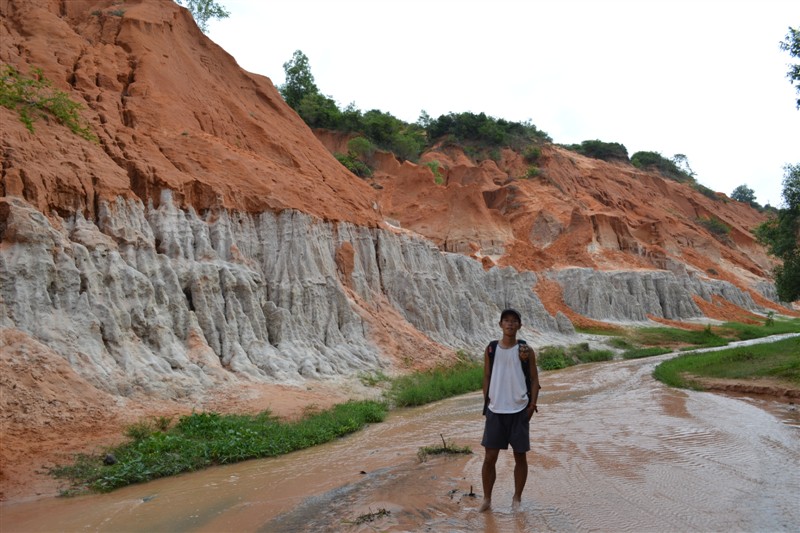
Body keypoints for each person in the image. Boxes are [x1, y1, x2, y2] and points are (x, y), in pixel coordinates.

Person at [479, 308, 541, 512]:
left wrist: (531, 406)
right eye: (506, 321)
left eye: (514, 321)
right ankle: (487, 500)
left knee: (520, 456)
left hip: (519, 410)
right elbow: (487, 376)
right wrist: (487, 402)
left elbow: (534, 379)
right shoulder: (491, 349)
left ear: (519, 326)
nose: (510, 324)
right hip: (495, 411)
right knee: (489, 458)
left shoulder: (526, 351)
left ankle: (517, 499)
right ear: (500, 325)